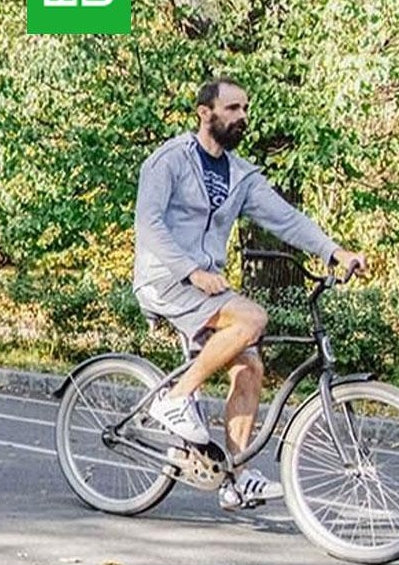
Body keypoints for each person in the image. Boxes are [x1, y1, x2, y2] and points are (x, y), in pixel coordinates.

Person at [133, 78, 366, 508]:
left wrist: (334, 251)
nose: (242, 117)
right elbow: (148, 225)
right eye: (232, 108)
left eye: (245, 109)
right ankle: (175, 399)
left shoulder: (240, 175)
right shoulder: (169, 160)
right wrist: (192, 271)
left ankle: (236, 477)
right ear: (205, 113)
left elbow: (287, 219)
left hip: (207, 287)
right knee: (254, 318)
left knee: (250, 367)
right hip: (166, 280)